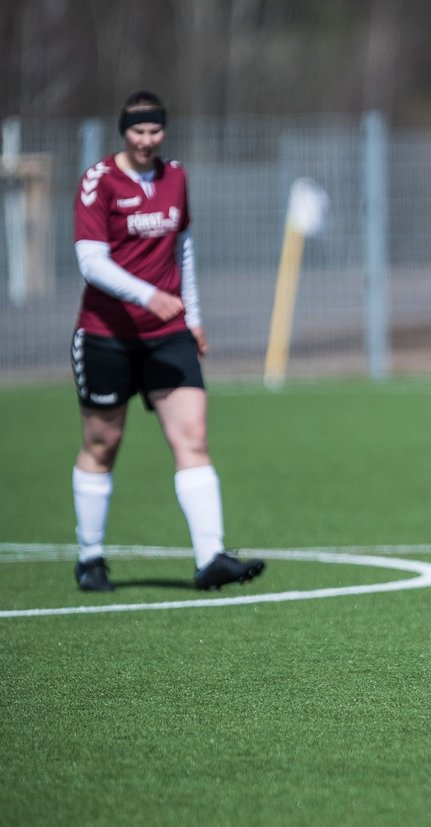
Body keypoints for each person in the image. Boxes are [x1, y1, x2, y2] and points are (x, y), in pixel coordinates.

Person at [70, 90, 265, 593]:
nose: (146, 141)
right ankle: (90, 557)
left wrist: (192, 316)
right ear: (123, 131)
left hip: (167, 335)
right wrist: (148, 295)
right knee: (103, 442)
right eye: (138, 131)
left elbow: (184, 248)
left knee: (193, 436)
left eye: (155, 131)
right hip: (107, 336)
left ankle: (210, 559)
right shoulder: (99, 183)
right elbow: (91, 261)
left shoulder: (175, 177)